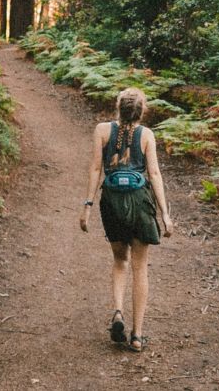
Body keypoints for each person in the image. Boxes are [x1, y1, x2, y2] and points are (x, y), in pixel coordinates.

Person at [79, 87, 174, 352]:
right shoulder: (146, 135)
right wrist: (165, 214)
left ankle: (118, 311)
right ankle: (137, 335)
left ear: (118, 107)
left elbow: (96, 169)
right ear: (141, 111)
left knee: (120, 260)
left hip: (112, 202)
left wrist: (87, 205)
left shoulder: (101, 130)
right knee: (139, 267)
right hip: (139, 203)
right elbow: (154, 174)